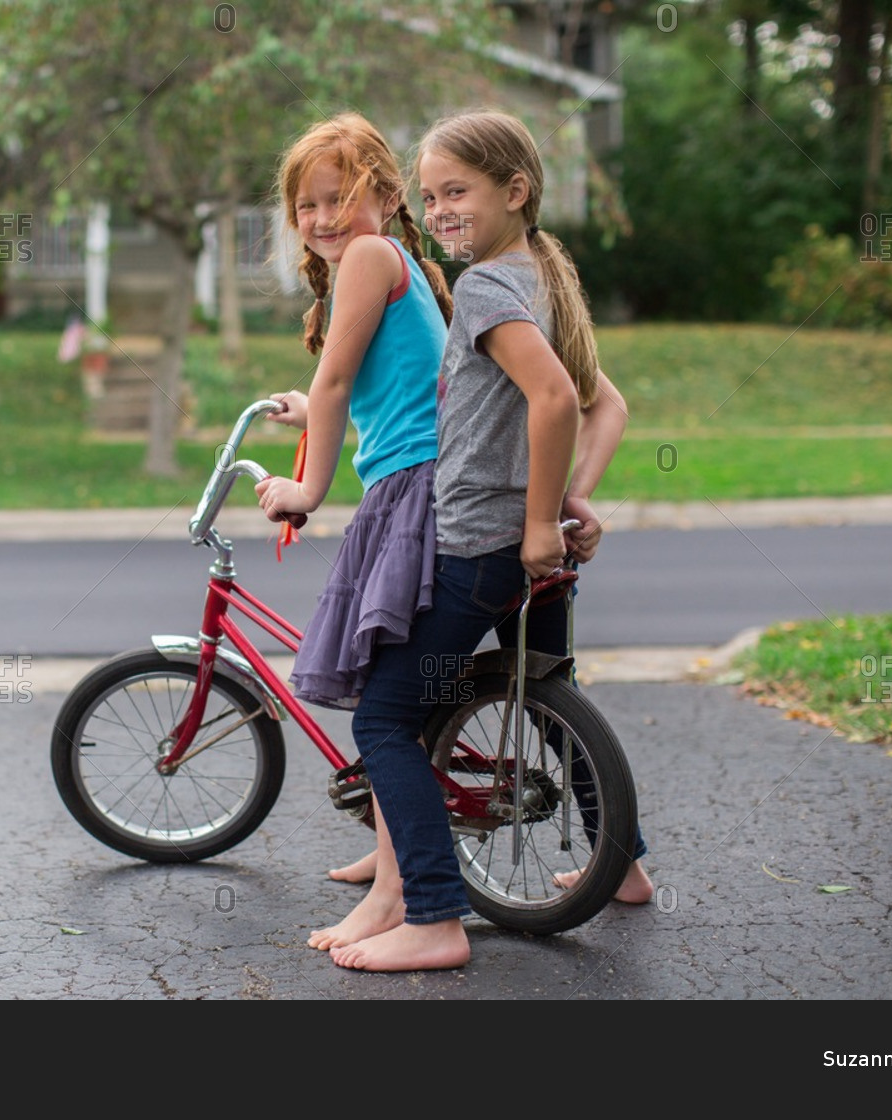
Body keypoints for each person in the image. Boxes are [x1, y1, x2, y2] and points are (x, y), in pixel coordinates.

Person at [322, 108, 652, 973]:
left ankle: (432, 916)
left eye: (457, 191)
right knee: (552, 699)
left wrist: (544, 519)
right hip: (527, 549)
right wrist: (570, 500)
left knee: (388, 718)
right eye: (430, 197)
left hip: (478, 544)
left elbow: (555, 401)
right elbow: (602, 403)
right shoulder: (543, 274)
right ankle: (623, 868)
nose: (439, 211)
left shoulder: (482, 288)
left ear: (518, 190)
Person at [253, 111, 452, 719]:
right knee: (396, 710)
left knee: (385, 715)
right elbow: (390, 390)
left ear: (388, 198)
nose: (320, 218)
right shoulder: (391, 262)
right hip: (418, 474)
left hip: (412, 485)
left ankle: (404, 801)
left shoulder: (368, 254)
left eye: (338, 198)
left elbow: (337, 379)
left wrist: (309, 491)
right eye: (306, 207)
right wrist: (311, 410)